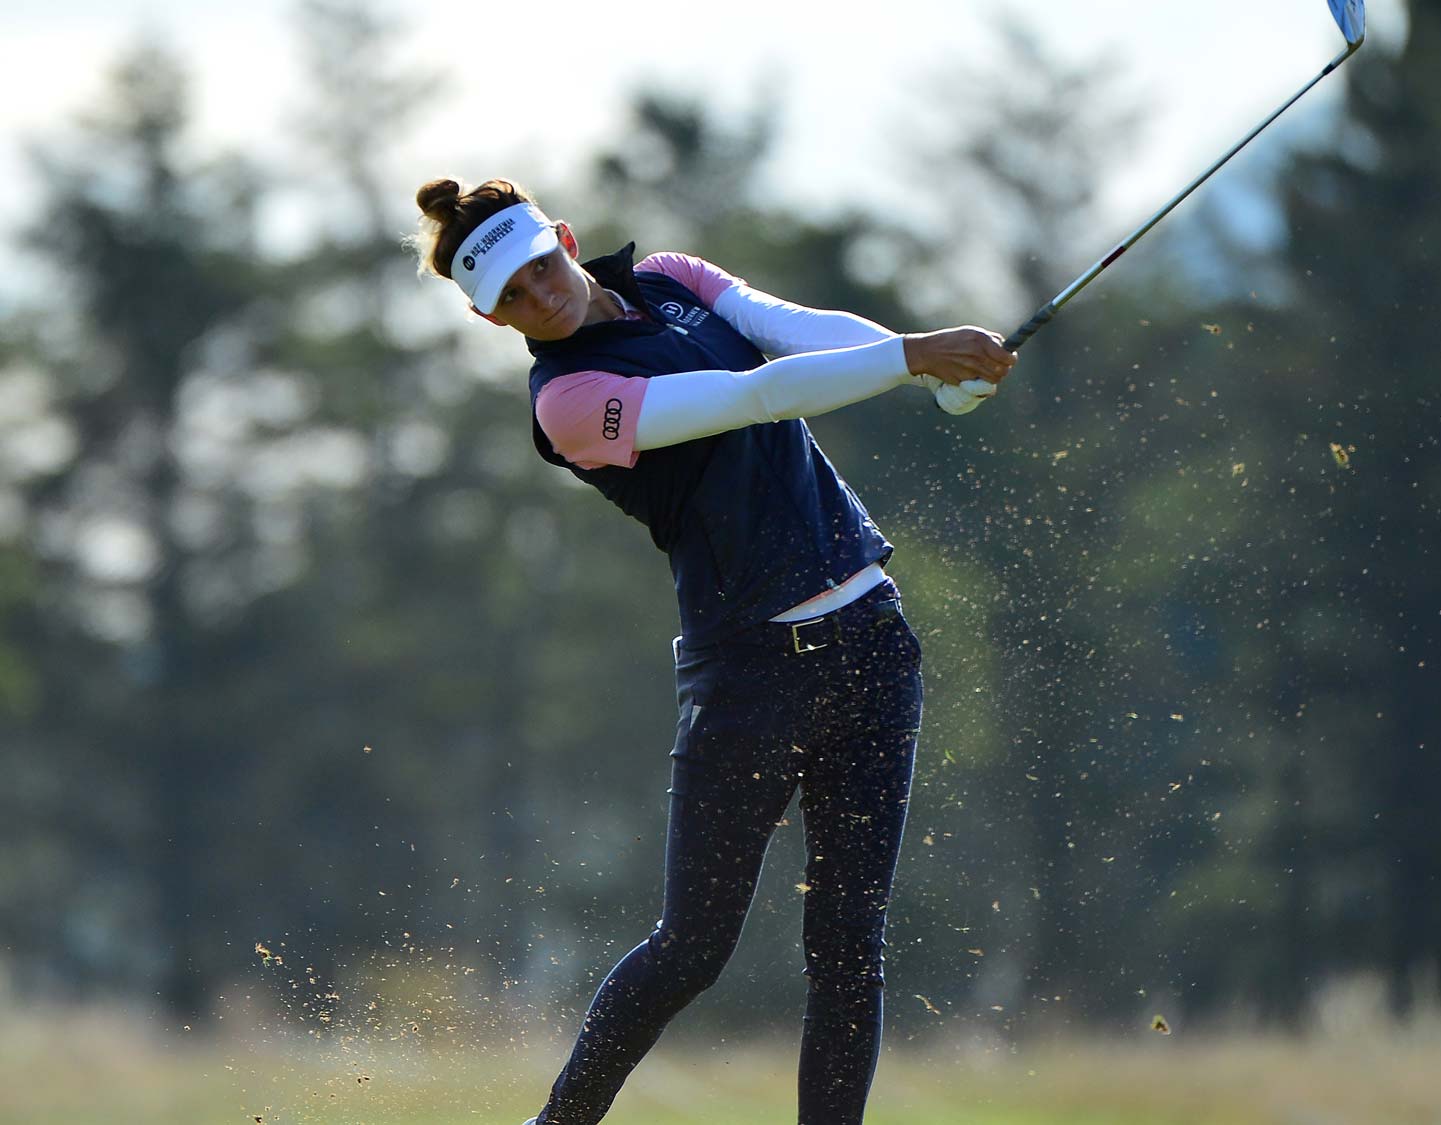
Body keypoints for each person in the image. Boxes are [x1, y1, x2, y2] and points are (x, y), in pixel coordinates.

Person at [409, 177, 1017, 1125]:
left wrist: (933, 363)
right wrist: (913, 356)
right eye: (514, 298)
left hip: (872, 643)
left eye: (539, 266)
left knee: (851, 940)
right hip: (750, 675)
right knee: (693, 946)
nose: (541, 295)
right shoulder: (568, 402)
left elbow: (796, 332)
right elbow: (755, 394)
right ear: (494, 321)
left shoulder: (671, 277)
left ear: (564, 238)